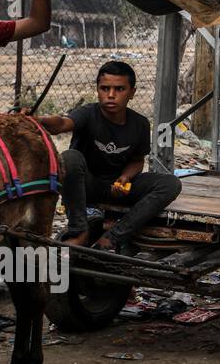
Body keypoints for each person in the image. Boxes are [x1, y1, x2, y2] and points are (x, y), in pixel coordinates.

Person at [33, 61, 181, 250]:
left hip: (118, 189)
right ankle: (79, 230)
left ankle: (114, 236)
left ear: (132, 92)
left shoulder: (140, 124)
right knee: (70, 157)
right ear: (97, 89)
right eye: (105, 88)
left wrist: (125, 177)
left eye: (119, 89)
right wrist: (37, 120)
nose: (111, 95)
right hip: (86, 186)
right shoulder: (88, 113)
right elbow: (62, 124)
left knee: (170, 184)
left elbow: (137, 160)